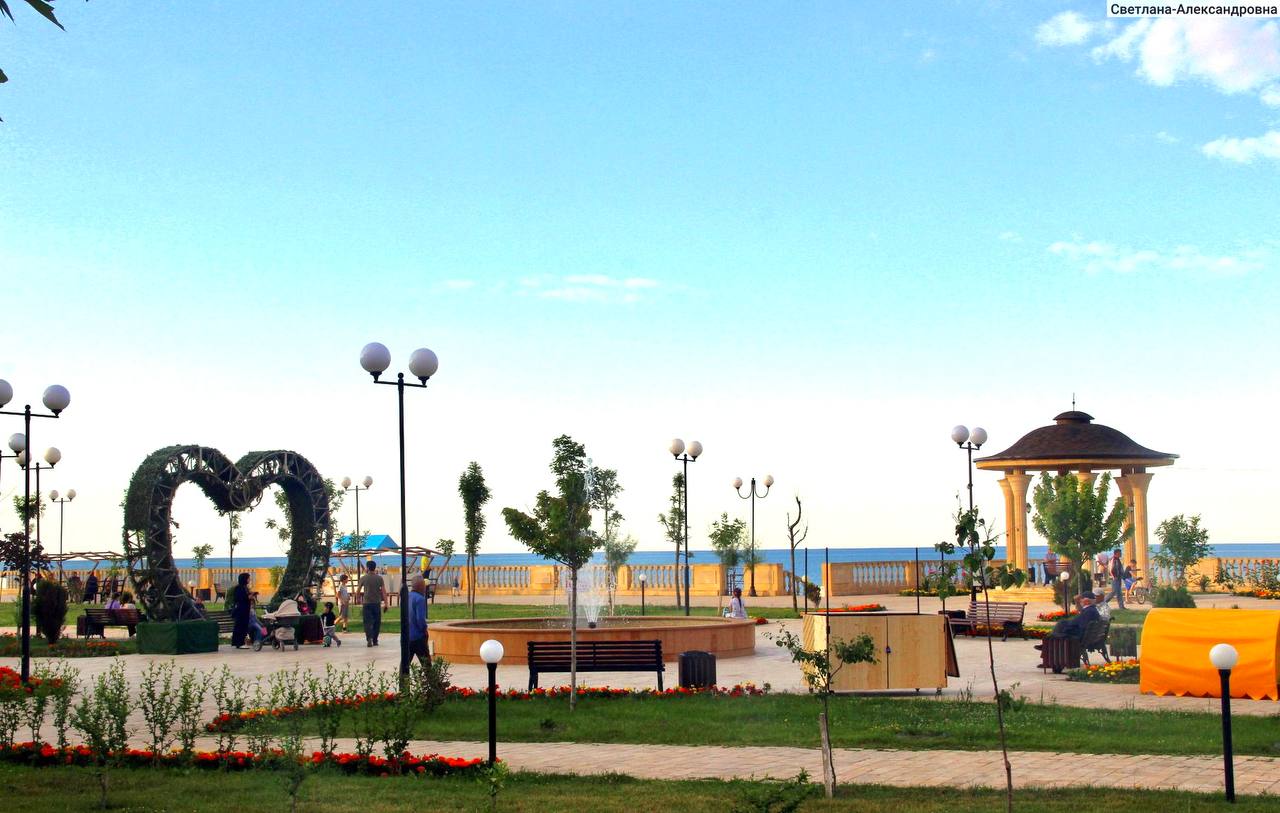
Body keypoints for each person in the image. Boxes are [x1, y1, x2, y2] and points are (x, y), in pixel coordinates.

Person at [403, 573, 429, 670]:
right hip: (418, 637)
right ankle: (431, 680)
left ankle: (402, 679)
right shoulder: (420, 599)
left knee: (405, 665)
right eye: (424, 586)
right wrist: (424, 630)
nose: (425, 588)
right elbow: (420, 619)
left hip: (407, 636)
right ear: (420, 587)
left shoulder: (407, 597)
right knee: (426, 664)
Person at [359, 560, 387, 647]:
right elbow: (383, 591)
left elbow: (358, 591)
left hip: (366, 603)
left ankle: (369, 638)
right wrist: (386, 603)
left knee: (367, 622)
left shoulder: (363, 578)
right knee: (377, 622)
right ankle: (375, 640)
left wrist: (359, 600)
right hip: (376, 603)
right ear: (375, 568)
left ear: (367, 568)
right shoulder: (379, 578)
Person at [231, 572, 252, 649]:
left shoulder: (245, 587)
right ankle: (239, 643)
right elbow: (239, 598)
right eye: (248, 578)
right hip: (240, 610)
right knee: (240, 626)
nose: (249, 580)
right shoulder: (239, 588)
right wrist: (248, 597)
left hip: (245, 610)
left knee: (244, 626)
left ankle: (241, 642)